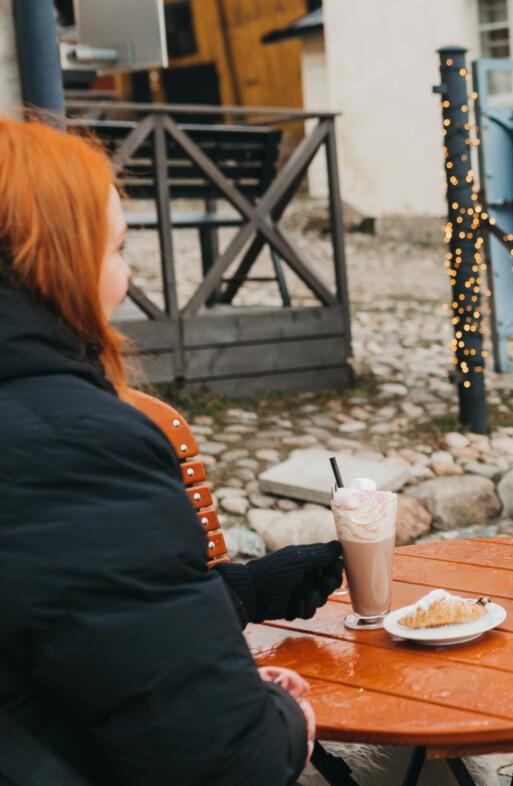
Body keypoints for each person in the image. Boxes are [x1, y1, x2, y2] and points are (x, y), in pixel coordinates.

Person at [0, 117, 341, 785]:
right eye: (117, 248)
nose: (125, 278)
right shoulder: (77, 446)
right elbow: (218, 756)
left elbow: (53, 607)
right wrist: (283, 720)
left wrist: (241, 589)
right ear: (57, 261)